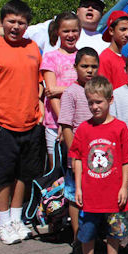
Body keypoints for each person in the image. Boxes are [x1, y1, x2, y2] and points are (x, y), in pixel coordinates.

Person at [0, 0, 44, 245]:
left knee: (24, 174)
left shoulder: (33, 47)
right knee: (2, 176)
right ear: (2, 22)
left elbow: (39, 81)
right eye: (11, 21)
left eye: (21, 22)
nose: (16, 26)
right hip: (0, 123)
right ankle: (3, 222)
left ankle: (16, 218)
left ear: (27, 25)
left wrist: (41, 106)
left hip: (29, 122)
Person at [69, 76, 128, 254]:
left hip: (114, 193)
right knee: (87, 231)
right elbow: (77, 158)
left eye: (99, 102)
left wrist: (124, 187)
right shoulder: (84, 129)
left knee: (115, 231)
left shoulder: (120, 128)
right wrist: (78, 187)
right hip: (90, 193)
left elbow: (126, 160)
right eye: (91, 102)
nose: (95, 107)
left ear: (110, 100)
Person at [0, 0, 107, 54]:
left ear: (101, 14)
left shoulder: (104, 43)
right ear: (78, 10)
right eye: (86, 5)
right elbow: (19, 31)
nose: (90, 9)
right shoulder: (53, 25)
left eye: (96, 7)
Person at [58, 47, 100, 239]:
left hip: (98, 157)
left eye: (93, 66)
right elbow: (66, 126)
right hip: (77, 158)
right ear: (76, 67)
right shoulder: (71, 93)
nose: (89, 70)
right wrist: (76, 155)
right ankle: (77, 236)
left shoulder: (100, 92)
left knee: (94, 196)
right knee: (75, 197)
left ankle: (93, 235)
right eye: (85, 66)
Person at [40, 12, 81, 171]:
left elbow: (87, 89)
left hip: (80, 121)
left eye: (74, 31)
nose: (70, 35)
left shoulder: (83, 56)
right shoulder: (50, 57)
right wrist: (64, 124)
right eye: (66, 31)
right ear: (58, 32)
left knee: (78, 166)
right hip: (54, 122)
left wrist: (61, 89)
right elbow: (51, 93)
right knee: (56, 169)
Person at [98, 11, 128, 89]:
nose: (127, 34)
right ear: (111, 31)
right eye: (123, 29)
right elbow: (103, 91)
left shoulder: (125, 59)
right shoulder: (105, 58)